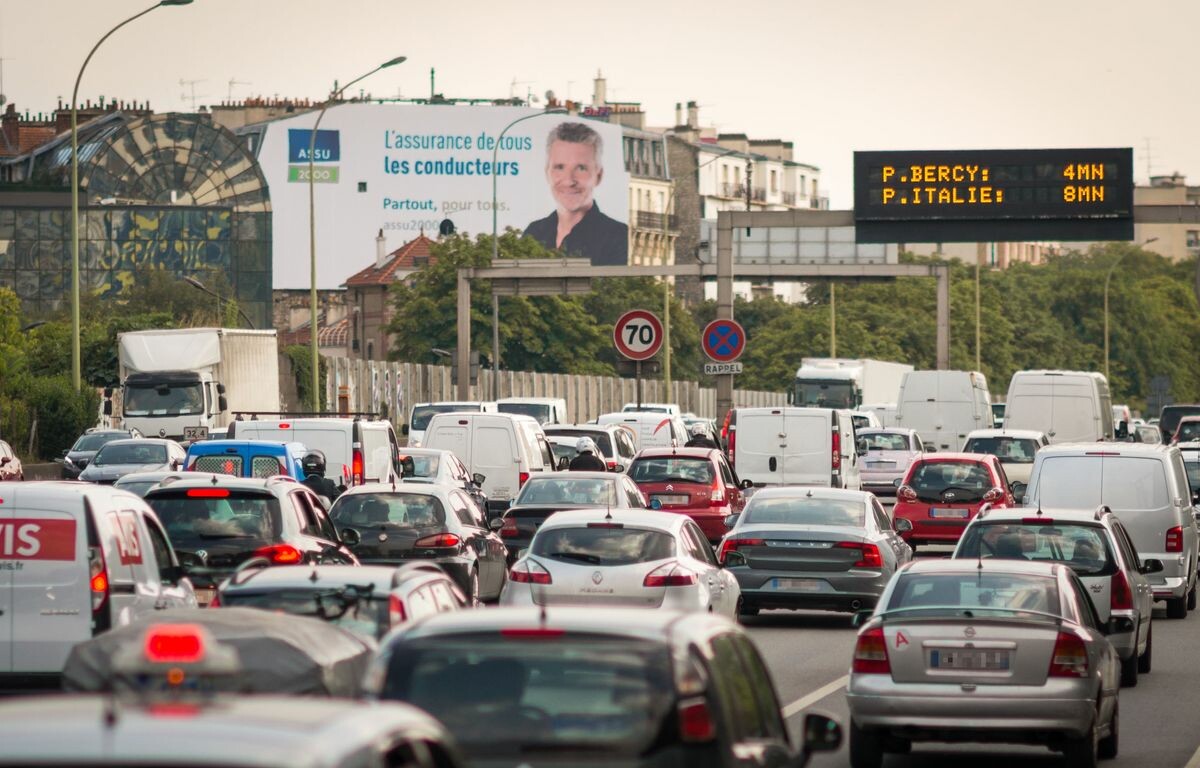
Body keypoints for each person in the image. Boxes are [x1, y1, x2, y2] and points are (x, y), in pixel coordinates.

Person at [523, 122, 628, 266]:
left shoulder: (618, 236)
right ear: (547, 172)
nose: (569, 181)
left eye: (581, 168)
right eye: (559, 167)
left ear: (598, 176)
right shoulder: (534, 233)